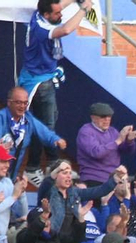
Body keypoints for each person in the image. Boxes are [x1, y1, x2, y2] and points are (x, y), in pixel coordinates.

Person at [22, 0, 95, 140]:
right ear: (47, 14)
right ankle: (52, 159)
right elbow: (66, 30)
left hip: (39, 75)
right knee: (48, 126)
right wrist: (84, 10)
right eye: (57, 14)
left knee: (40, 123)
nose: (61, 15)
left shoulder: (40, 15)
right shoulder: (42, 29)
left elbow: (58, 6)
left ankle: (35, 160)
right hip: (40, 81)